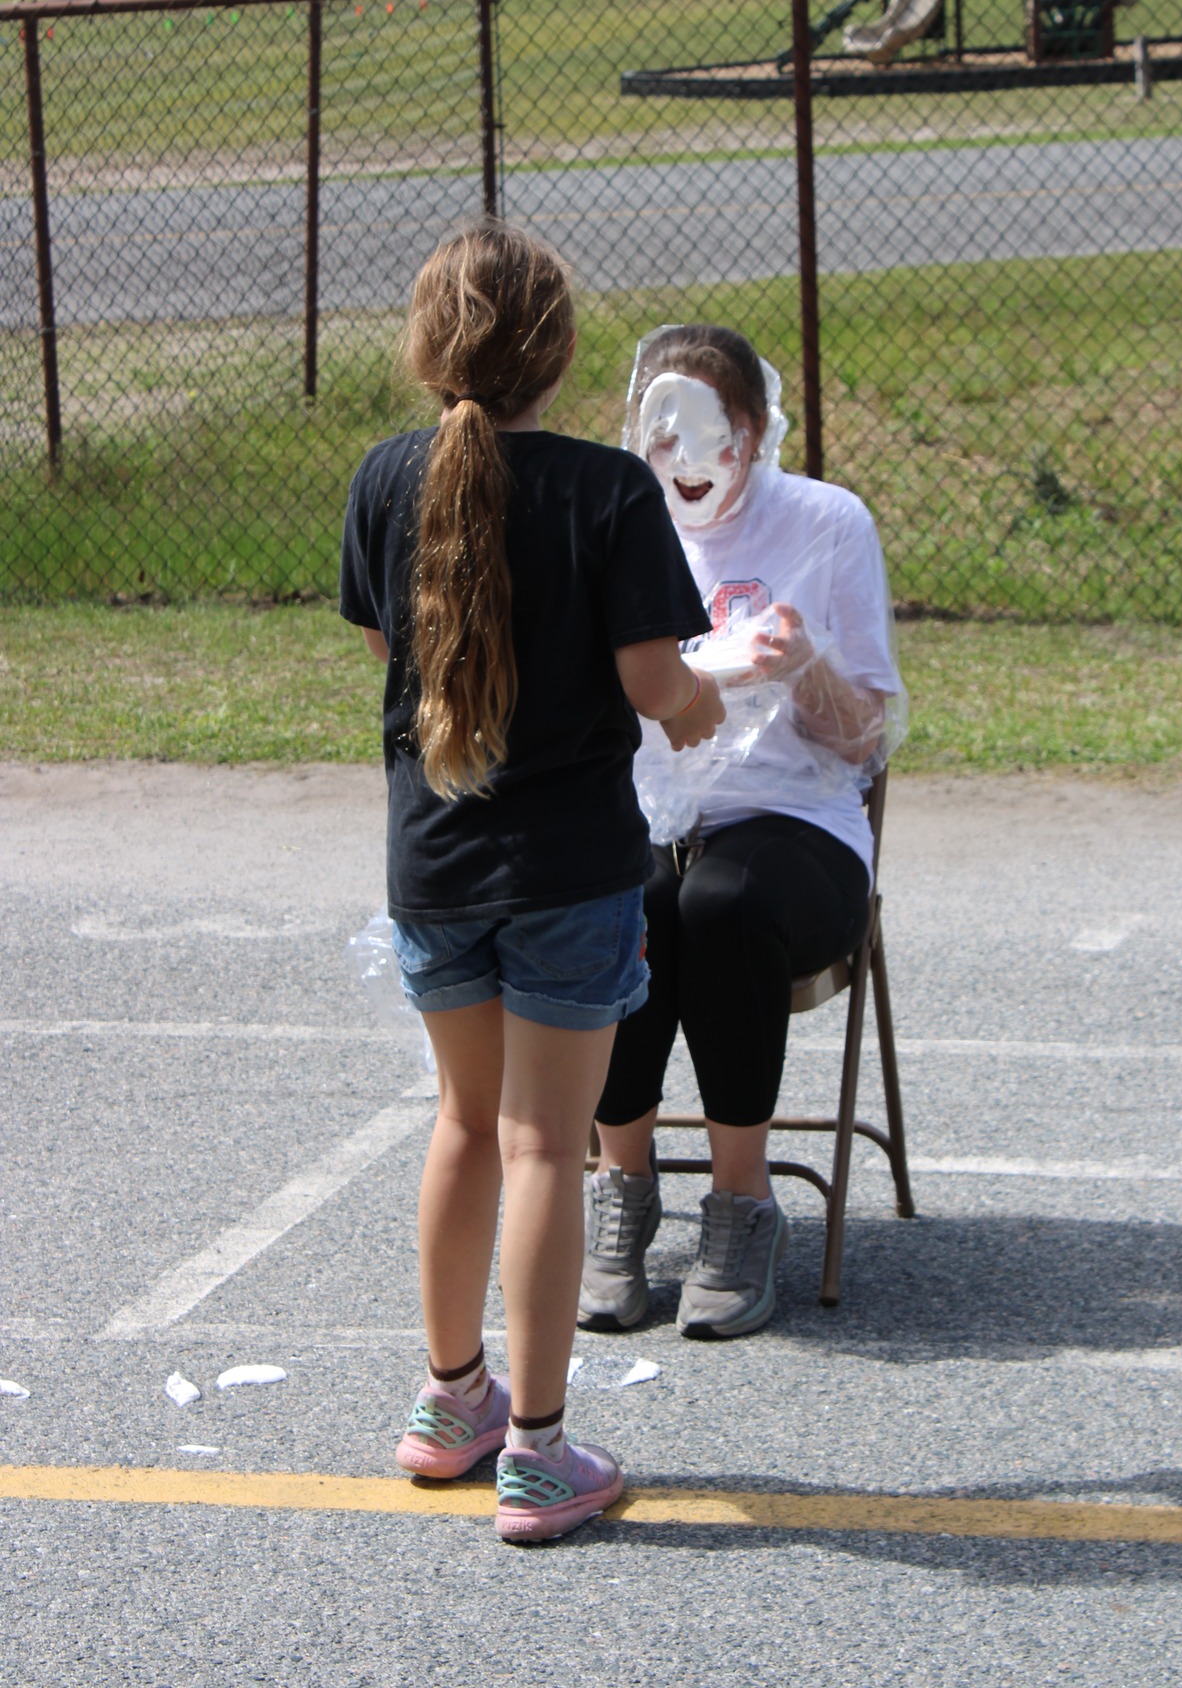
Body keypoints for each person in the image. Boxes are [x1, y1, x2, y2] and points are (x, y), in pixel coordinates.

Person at [339, 225, 722, 1542]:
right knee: (545, 1145)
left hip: (434, 861)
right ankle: (542, 1450)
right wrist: (700, 706)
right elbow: (654, 683)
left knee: (462, 1124)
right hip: (567, 870)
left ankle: (454, 1403)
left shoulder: (386, 478)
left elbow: (400, 653)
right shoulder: (610, 492)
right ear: (558, 353)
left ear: (427, 347)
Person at [578, 324, 906, 1342]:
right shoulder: (614, 520)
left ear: (757, 432)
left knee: (716, 901)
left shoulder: (825, 521)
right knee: (626, 900)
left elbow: (867, 738)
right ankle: (620, 1195)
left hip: (794, 826)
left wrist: (803, 663)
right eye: (658, 433)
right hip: (642, 822)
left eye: (709, 432)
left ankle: (740, 1207)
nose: (683, 459)